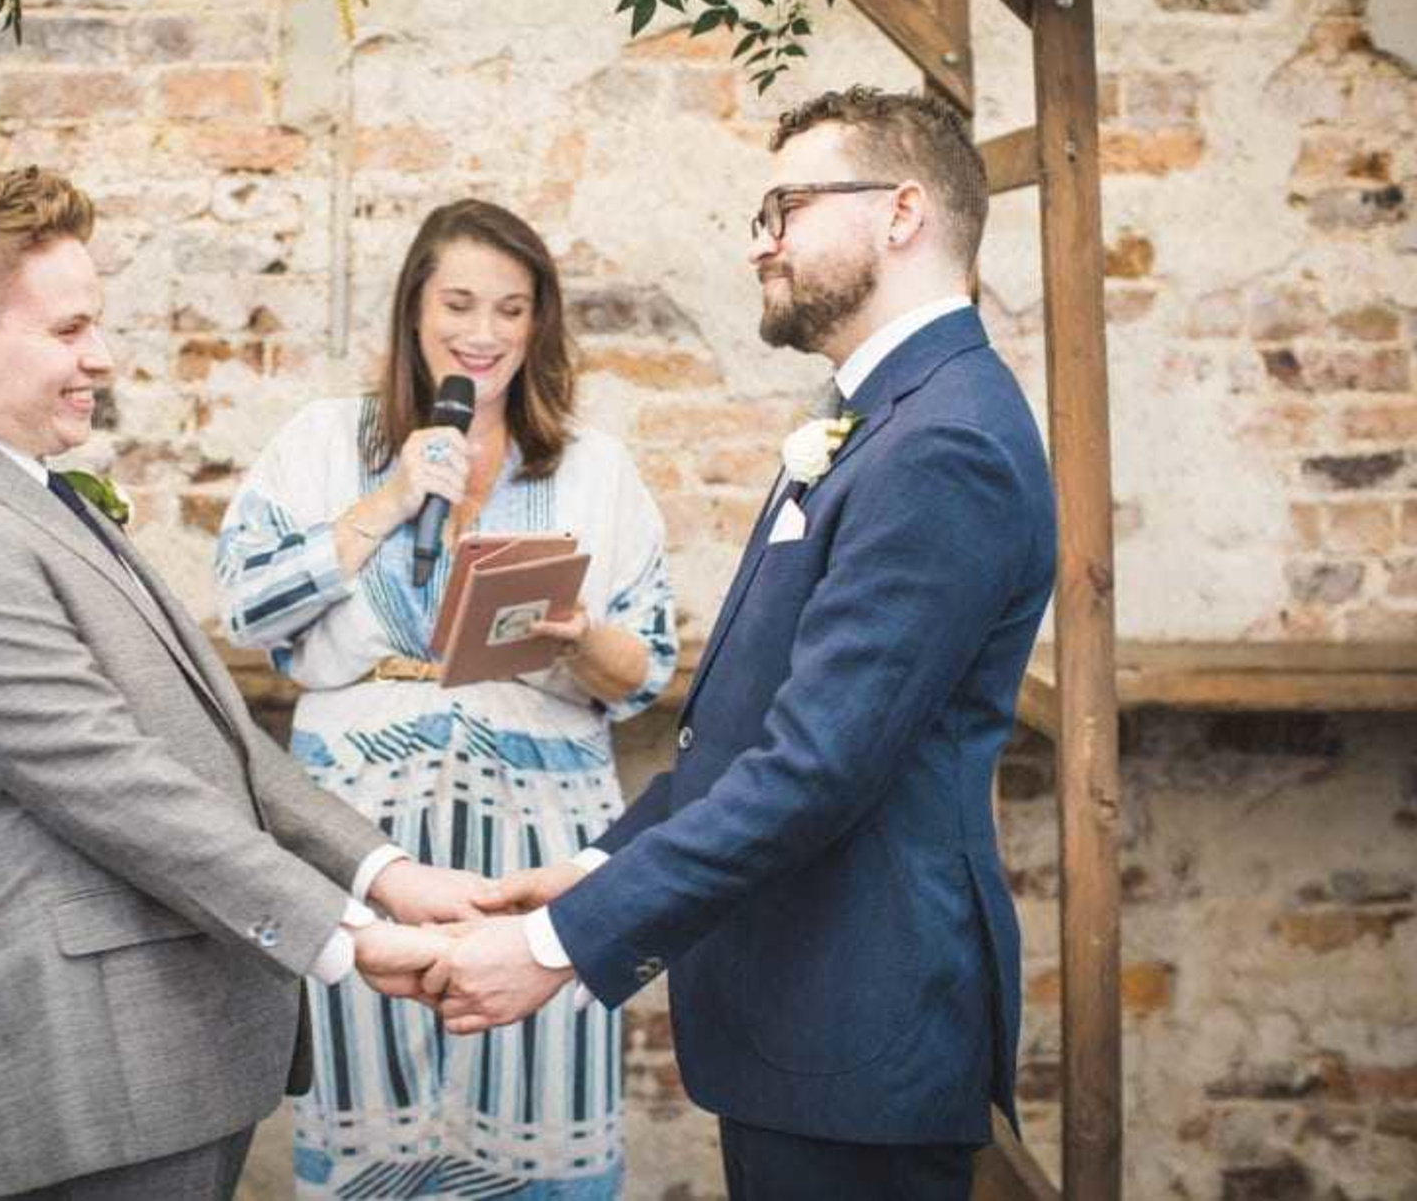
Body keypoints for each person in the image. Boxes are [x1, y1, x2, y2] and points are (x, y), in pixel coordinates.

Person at [436, 88, 1058, 1200]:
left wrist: (554, 947)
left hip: (855, 1015)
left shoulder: (943, 439)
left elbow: (815, 768)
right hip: (800, 1013)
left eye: (786, 205)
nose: (759, 240)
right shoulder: (879, 409)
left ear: (901, 212)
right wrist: (593, 866)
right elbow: (755, 722)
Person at [0, 166, 486, 1201]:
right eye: (66, 330)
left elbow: (213, 737)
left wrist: (385, 872)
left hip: (172, 1042)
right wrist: (350, 936)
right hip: (94, 1068)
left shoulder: (26, 492)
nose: (98, 356)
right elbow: (115, 783)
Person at [215, 198, 679, 1197]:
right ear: (411, 312)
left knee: (535, 1094)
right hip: (364, 840)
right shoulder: (319, 444)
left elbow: (643, 673)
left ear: (537, 323)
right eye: (459, 302)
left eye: (510, 309)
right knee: (372, 1113)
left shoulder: (594, 468)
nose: (483, 331)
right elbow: (247, 607)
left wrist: (574, 634)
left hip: (537, 844)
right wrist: (387, 504)